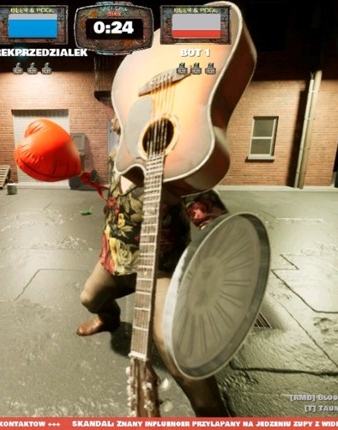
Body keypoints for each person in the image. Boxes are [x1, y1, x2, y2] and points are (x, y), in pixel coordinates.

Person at [76, 119, 230, 417]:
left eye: (125, 117)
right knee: (89, 298)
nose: (116, 122)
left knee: (171, 344)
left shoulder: (177, 165)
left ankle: (213, 412)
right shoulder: (116, 157)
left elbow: (212, 218)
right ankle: (109, 318)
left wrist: (216, 235)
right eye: (118, 118)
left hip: (160, 267)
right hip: (116, 258)